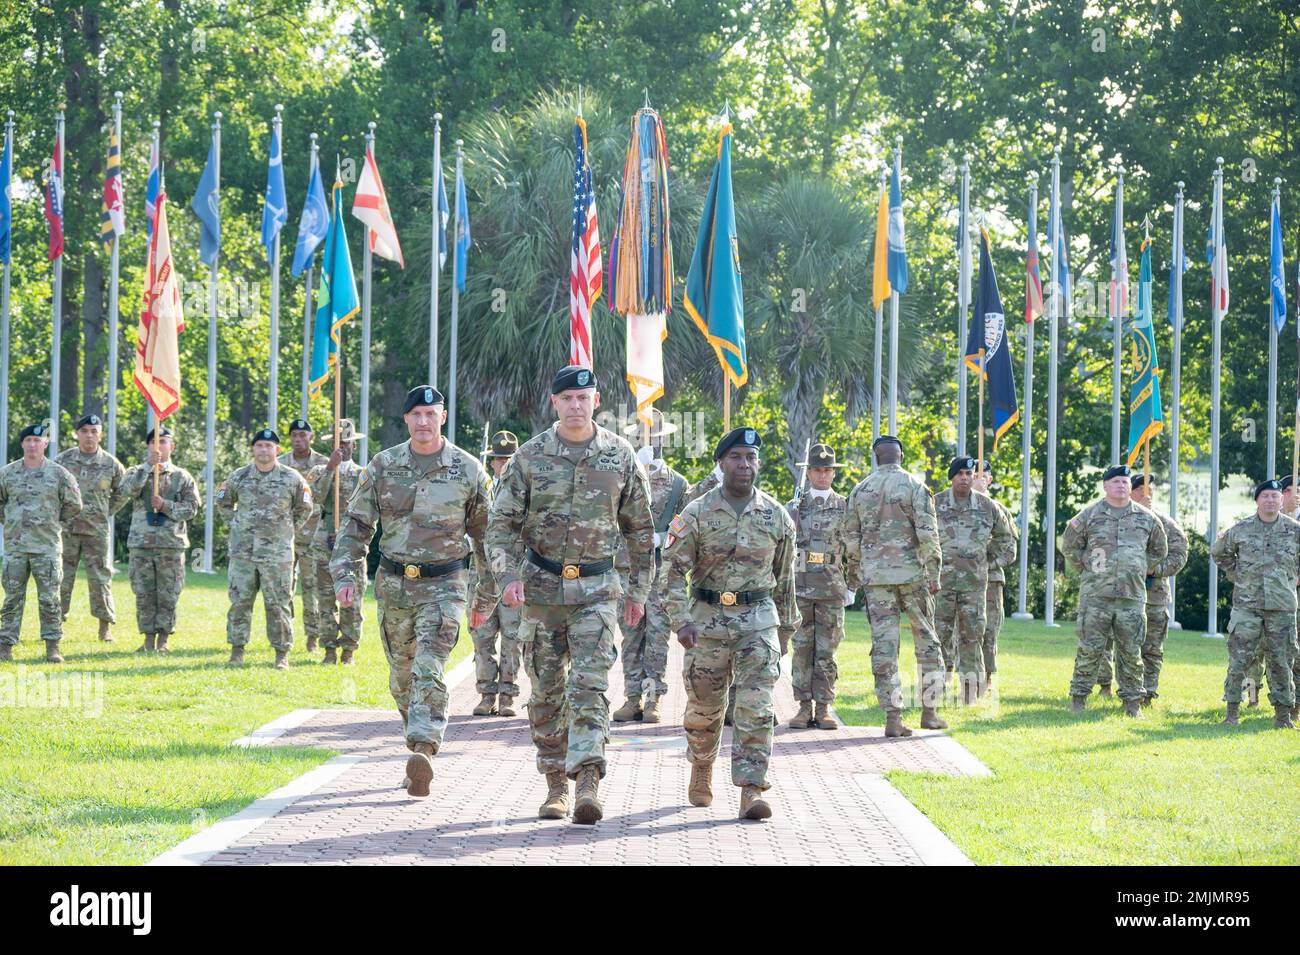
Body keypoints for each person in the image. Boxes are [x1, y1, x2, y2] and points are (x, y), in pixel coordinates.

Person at [485, 366, 654, 825]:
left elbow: (640, 532)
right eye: (567, 398)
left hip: (597, 592)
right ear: (554, 402)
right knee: (545, 693)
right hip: (540, 591)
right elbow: (499, 529)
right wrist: (507, 578)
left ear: (596, 401)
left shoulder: (619, 457)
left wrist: (638, 590)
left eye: (584, 397)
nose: (575, 405)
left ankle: (588, 783)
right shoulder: (529, 457)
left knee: (590, 686)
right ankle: (555, 783)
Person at [331, 387, 497, 797]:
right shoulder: (384, 465)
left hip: (446, 584)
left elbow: (488, 537)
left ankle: (424, 746)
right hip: (394, 585)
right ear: (407, 419)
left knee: (428, 664)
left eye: (431, 413)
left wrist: (486, 595)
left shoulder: (468, 469)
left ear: (443, 416)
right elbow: (356, 526)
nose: (423, 421)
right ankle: (414, 746)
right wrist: (346, 575)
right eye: (416, 414)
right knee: (402, 675)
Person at [664, 426, 798, 820]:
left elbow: (786, 580)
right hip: (707, 622)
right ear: (721, 462)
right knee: (705, 707)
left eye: (751, 457)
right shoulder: (697, 512)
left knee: (756, 708)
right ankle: (702, 764)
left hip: (758, 622)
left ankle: (751, 788)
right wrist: (681, 620)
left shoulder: (776, 516)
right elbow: (671, 573)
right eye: (736, 457)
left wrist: (786, 630)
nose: (744, 465)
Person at [843, 435, 946, 737]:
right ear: (900, 456)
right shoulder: (915, 487)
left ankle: (892, 716)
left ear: (876, 458)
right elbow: (928, 534)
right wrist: (934, 573)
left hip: (876, 580)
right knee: (927, 643)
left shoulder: (860, 490)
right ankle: (930, 712)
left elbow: (851, 540)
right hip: (913, 577)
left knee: (885, 647)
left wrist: (855, 575)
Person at [1061, 464, 1167, 716]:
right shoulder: (1089, 515)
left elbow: (1159, 550)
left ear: (1130, 487)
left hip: (1131, 597)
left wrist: (1140, 566)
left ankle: (1132, 704)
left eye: (1125, 482)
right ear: (1106, 486)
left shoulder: (1146, 518)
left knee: (1131, 652)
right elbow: (1069, 546)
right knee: (1090, 649)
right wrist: (1087, 566)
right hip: (1096, 597)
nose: (1121, 486)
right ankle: (1078, 699)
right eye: (1116, 482)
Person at [612, 409, 692, 725]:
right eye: (646, 435)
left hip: (661, 573)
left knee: (658, 636)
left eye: (656, 436)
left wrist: (666, 535)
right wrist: (638, 469)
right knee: (631, 635)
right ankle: (632, 697)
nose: (651, 441)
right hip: (628, 569)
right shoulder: (622, 476)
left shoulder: (678, 484)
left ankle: (653, 697)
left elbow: (685, 522)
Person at [218, 428, 313, 669]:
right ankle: (237, 650)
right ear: (253, 449)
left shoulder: (292, 478)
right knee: (240, 601)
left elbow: (305, 507)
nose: (264, 450)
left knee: (279, 603)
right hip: (244, 553)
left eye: (269, 446)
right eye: (259, 445)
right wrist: (236, 524)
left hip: (278, 554)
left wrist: (288, 529)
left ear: (277, 450)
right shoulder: (238, 477)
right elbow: (223, 502)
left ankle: (282, 653)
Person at [1210, 478, 1300, 728]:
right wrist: (1237, 573)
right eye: (1265, 496)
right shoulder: (1241, 529)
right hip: (1247, 607)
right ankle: (1232, 713)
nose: (1270, 500)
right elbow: (1219, 552)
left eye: (1275, 496)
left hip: (1282, 607)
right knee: (1240, 659)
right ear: (1257, 500)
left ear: (1282, 500)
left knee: (1282, 661)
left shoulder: (1294, 530)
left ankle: (1283, 717)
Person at [935, 456, 1016, 703]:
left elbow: (1007, 540)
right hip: (940, 584)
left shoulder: (987, 506)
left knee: (973, 636)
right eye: (960, 474)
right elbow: (919, 536)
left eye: (969, 474)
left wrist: (986, 562)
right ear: (952, 477)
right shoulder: (934, 503)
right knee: (938, 637)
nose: (965, 478)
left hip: (974, 586)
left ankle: (970, 693)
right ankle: (934, 691)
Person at [0, 424, 82, 662]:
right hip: (16, 548)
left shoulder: (59, 474)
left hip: (47, 547)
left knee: (50, 599)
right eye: (28, 440)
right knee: (12, 599)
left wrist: (51, 521)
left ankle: (52, 647)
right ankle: (5, 647)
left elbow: (75, 504)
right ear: (22, 444)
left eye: (38, 440)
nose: (33, 444)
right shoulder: (7, 473)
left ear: (45, 444)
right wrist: (14, 522)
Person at [1103, 473, 1188, 705]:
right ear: (1130, 491)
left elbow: (1180, 554)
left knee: (1151, 648)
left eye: (1149, 489)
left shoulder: (1164, 523)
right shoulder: (1113, 519)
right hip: (1122, 594)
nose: (1145, 494)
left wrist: (1154, 569)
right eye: (1140, 489)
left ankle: (1148, 692)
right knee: (1124, 647)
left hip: (1154, 597)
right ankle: (1122, 689)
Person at [115, 426, 200, 653]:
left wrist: (165, 505)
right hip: (141, 544)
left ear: (172, 446)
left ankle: (163, 640)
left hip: (170, 545)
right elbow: (126, 491)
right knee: (143, 593)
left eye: (163, 442)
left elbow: (192, 509)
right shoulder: (136, 472)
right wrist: (147, 469)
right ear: (147, 447)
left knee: (168, 593)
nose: (158, 446)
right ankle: (147, 639)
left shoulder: (182, 477)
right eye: (153, 442)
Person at [786, 442, 851, 730]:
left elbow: (853, 547)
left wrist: (852, 585)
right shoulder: (794, 507)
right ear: (809, 472)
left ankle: (824, 707)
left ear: (833, 474)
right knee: (801, 648)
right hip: (800, 586)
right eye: (817, 470)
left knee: (827, 650)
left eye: (827, 470)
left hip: (831, 586)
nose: (822, 475)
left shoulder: (845, 506)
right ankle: (803, 707)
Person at [56, 414, 126, 643]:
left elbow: (123, 492)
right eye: (84, 431)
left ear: (100, 435)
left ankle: (104, 628)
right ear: (77, 434)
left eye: (94, 431)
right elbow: (51, 488)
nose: (89, 436)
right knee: (61, 578)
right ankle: (55, 624)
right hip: (67, 530)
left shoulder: (110, 463)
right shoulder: (62, 461)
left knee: (100, 579)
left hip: (96, 532)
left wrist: (105, 511)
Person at [469, 429, 523, 715]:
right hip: (482, 572)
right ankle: (487, 694)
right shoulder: (483, 489)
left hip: (511, 572)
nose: (502, 463)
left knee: (512, 639)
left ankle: (508, 695)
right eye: (498, 459)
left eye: (508, 459)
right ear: (491, 462)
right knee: (482, 636)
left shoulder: (526, 490)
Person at [306, 419, 366, 666]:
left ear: (354, 445)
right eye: (339, 443)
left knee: (352, 598)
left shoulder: (363, 473)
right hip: (324, 542)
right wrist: (331, 468)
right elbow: (316, 497)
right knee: (326, 599)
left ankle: (349, 649)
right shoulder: (319, 471)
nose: (343, 447)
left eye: (347, 443)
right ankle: (329, 648)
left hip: (352, 542)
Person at [279, 419, 329, 653]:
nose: (298, 439)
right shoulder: (280, 464)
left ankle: (313, 637)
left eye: (302, 435)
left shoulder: (323, 464)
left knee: (312, 588)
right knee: (283, 588)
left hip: (313, 535)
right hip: (285, 536)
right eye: (294, 435)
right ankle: (284, 634)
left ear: (311, 437)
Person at [971, 461, 1018, 683]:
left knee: (989, 630)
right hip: (958, 579)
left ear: (989, 480)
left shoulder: (998, 509)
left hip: (990, 580)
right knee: (957, 630)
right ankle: (955, 674)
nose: (976, 479)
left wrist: (987, 563)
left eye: (982, 475)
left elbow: (1010, 550)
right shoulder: (951, 507)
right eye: (972, 474)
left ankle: (987, 676)